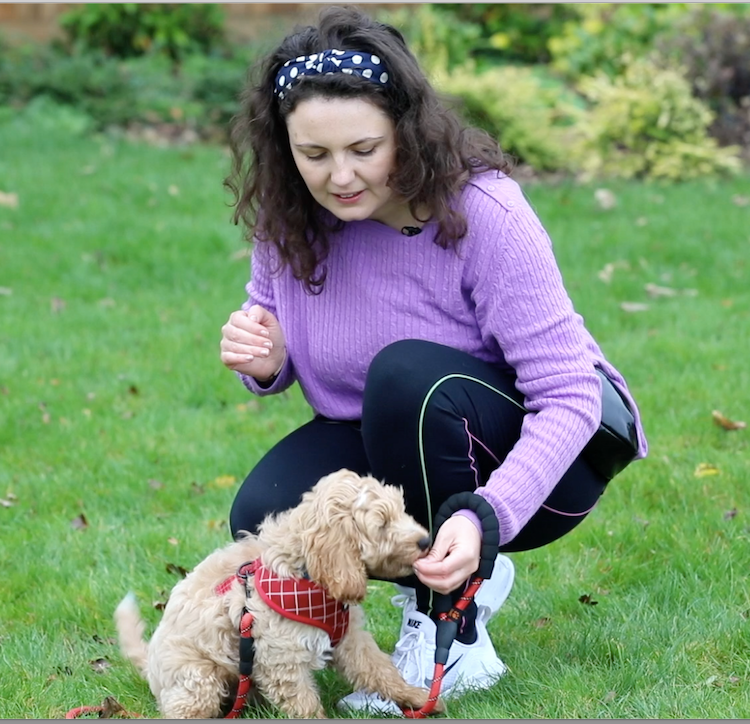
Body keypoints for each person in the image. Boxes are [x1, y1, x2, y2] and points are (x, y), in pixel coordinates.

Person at [219, 4, 647, 715]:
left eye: (364, 148)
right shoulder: (287, 217)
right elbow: (279, 340)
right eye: (314, 154)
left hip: (543, 462)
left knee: (409, 376)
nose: (340, 175)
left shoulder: (485, 213)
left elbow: (569, 394)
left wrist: (485, 514)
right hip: (389, 431)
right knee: (267, 514)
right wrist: (265, 362)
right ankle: (348, 631)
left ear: (406, 131)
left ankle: (455, 624)